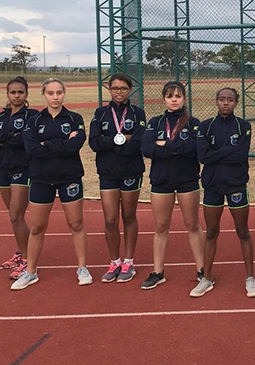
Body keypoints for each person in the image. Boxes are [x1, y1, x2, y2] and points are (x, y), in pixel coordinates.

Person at [11, 78, 92, 290]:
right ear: (44, 95)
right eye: (50, 93)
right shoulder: (34, 120)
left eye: (59, 93)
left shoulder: (75, 118)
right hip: (40, 178)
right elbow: (32, 150)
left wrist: (46, 143)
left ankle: (82, 268)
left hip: (69, 177)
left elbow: (75, 146)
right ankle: (31, 272)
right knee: (37, 227)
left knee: (76, 224)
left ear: (64, 93)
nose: (55, 97)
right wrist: (61, 144)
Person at [190, 87, 255, 298]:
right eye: (222, 99)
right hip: (212, 186)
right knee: (211, 232)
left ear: (236, 102)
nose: (226, 103)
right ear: (217, 101)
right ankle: (206, 277)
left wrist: (216, 154)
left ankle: (250, 278)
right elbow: (203, 156)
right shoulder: (205, 126)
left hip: (237, 184)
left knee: (243, 231)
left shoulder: (243, 126)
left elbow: (240, 155)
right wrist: (228, 151)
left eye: (230, 100)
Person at [140, 81, 205, 290]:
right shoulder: (155, 122)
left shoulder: (194, 122)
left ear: (184, 98)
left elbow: (195, 148)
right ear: (164, 99)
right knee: (160, 226)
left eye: (178, 96)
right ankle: (158, 272)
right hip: (161, 179)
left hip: (188, 179)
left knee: (193, 225)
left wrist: (166, 145)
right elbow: (147, 148)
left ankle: (202, 270)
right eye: (170, 96)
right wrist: (178, 148)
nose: (174, 99)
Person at [89, 73, 146, 283]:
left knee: (129, 216)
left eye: (123, 88)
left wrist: (110, 142)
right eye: (115, 88)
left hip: (131, 170)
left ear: (129, 90)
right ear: (109, 90)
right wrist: (120, 139)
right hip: (107, 171)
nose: (119, 92)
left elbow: (139, 142)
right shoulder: (101, 113)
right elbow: (94, 142)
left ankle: (128, 262)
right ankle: (114, 261)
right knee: (110, 219)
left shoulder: (138, 113)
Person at [0, 76, 38, 280]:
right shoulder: (1, 116)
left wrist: (2, 136)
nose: (16, 96)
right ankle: (21, 252)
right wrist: (8, 135)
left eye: (20, 92)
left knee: (16, 214)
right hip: (3, 166)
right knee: (13, 216)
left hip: (23, 167)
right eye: (13, 92)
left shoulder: (32, 116)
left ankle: (26, 260)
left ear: (26, 94)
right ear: (7, 94)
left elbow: (24, 140)